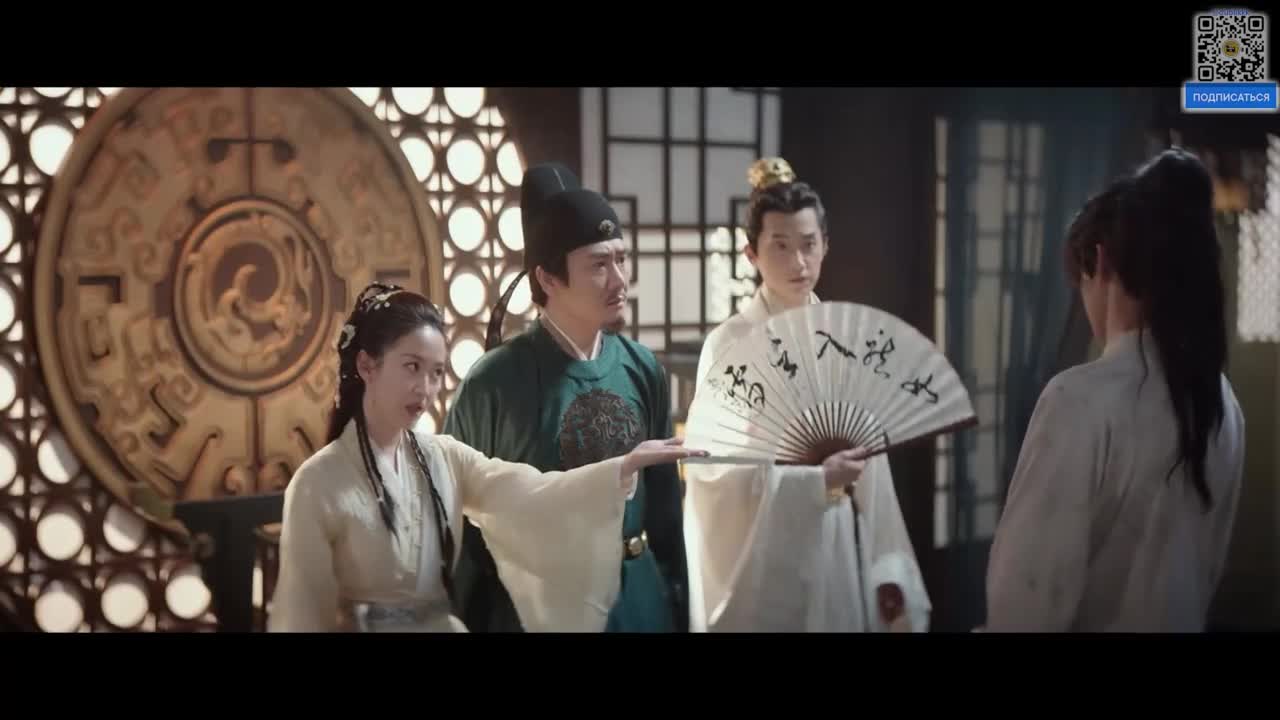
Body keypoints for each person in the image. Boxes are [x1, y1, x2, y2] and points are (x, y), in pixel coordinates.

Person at [267, 281, 703, 632]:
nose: (425, 389)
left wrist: (619, 469)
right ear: (366, 366)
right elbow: (300, 615)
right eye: (412, 367)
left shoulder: (444, 457)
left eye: (437, 373)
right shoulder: (318, 483)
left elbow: (529, 492)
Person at [984, 148, 1246, 632]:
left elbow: (1023, 605)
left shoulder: (1078, 399)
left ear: (1099, 262)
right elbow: (1207, 572)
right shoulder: (1222, 403)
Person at [681, 157, 931, 632]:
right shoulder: (729, 345)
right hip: (769, 551)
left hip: (837, 541)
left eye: (809, 244)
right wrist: (810, 483)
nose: (798, 263)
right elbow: (713, 472)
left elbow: (872, 467)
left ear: (826, 245)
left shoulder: (844, 338)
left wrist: (888, 564)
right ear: (751, 253)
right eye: (780, 246)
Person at [446, 162, 688, 633]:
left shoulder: (641, 368)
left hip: (639, 599)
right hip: (540, 608)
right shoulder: (491, 384)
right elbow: (463, 527)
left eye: (621, 259)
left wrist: (674, 602)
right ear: (549, 279)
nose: (619, 279)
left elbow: (665, 513)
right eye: (598, 265)